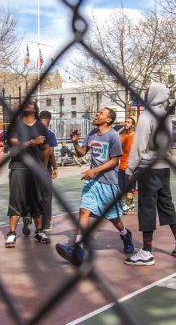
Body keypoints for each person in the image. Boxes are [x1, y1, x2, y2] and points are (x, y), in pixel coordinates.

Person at [55, 107, 135, 265]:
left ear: (108, 120)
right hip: (92, 181)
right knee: (84, 210)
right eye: (97, 112)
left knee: (114, 217)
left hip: (108, 182)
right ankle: (77, 249)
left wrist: (95, 170)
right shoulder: (92, 134)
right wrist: (75, 142)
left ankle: (125, 234)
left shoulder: (113, 136)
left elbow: (115, 161)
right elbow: (82, 153)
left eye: (100, 113)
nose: (96, 114)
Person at [125, 83, 176, 266]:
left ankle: (146, 251)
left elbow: (139, 144)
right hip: (164, 167)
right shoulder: (166, 116)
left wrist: (130, 169)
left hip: (148, 168)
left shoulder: (146, 116)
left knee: (147, 208)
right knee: (167, 204)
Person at [4, 100, 51, 248]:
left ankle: (39, 231)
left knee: (37, 200)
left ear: (35, 109)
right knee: (16, 200)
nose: (27, 105)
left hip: (36, 170)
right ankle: (12, 233)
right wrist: (32, 142)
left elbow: (46, 149)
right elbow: (14, 146)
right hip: (19, 168)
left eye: (30, 103)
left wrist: (44, 168)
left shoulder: (41, 127)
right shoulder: (15, 125)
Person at [38, 110, 59, 232]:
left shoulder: (31, 132)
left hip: (30, 168)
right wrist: (55, 167)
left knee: (32, 194)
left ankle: (29, 216)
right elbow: (50, 153)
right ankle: (45, 224)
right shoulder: (49, 133)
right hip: (44, 168)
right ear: (49, 120)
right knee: (46, 197)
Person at [118, 117, 137, 214]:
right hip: (121, 165)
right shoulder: (121, 136)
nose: (126, 123)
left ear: (133, 125)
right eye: (125, 122)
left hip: (132, 166)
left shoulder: (136, 136)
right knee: (121, 187)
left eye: (128, 122)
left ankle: (128, 205)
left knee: (130, 187)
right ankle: (131, 205)